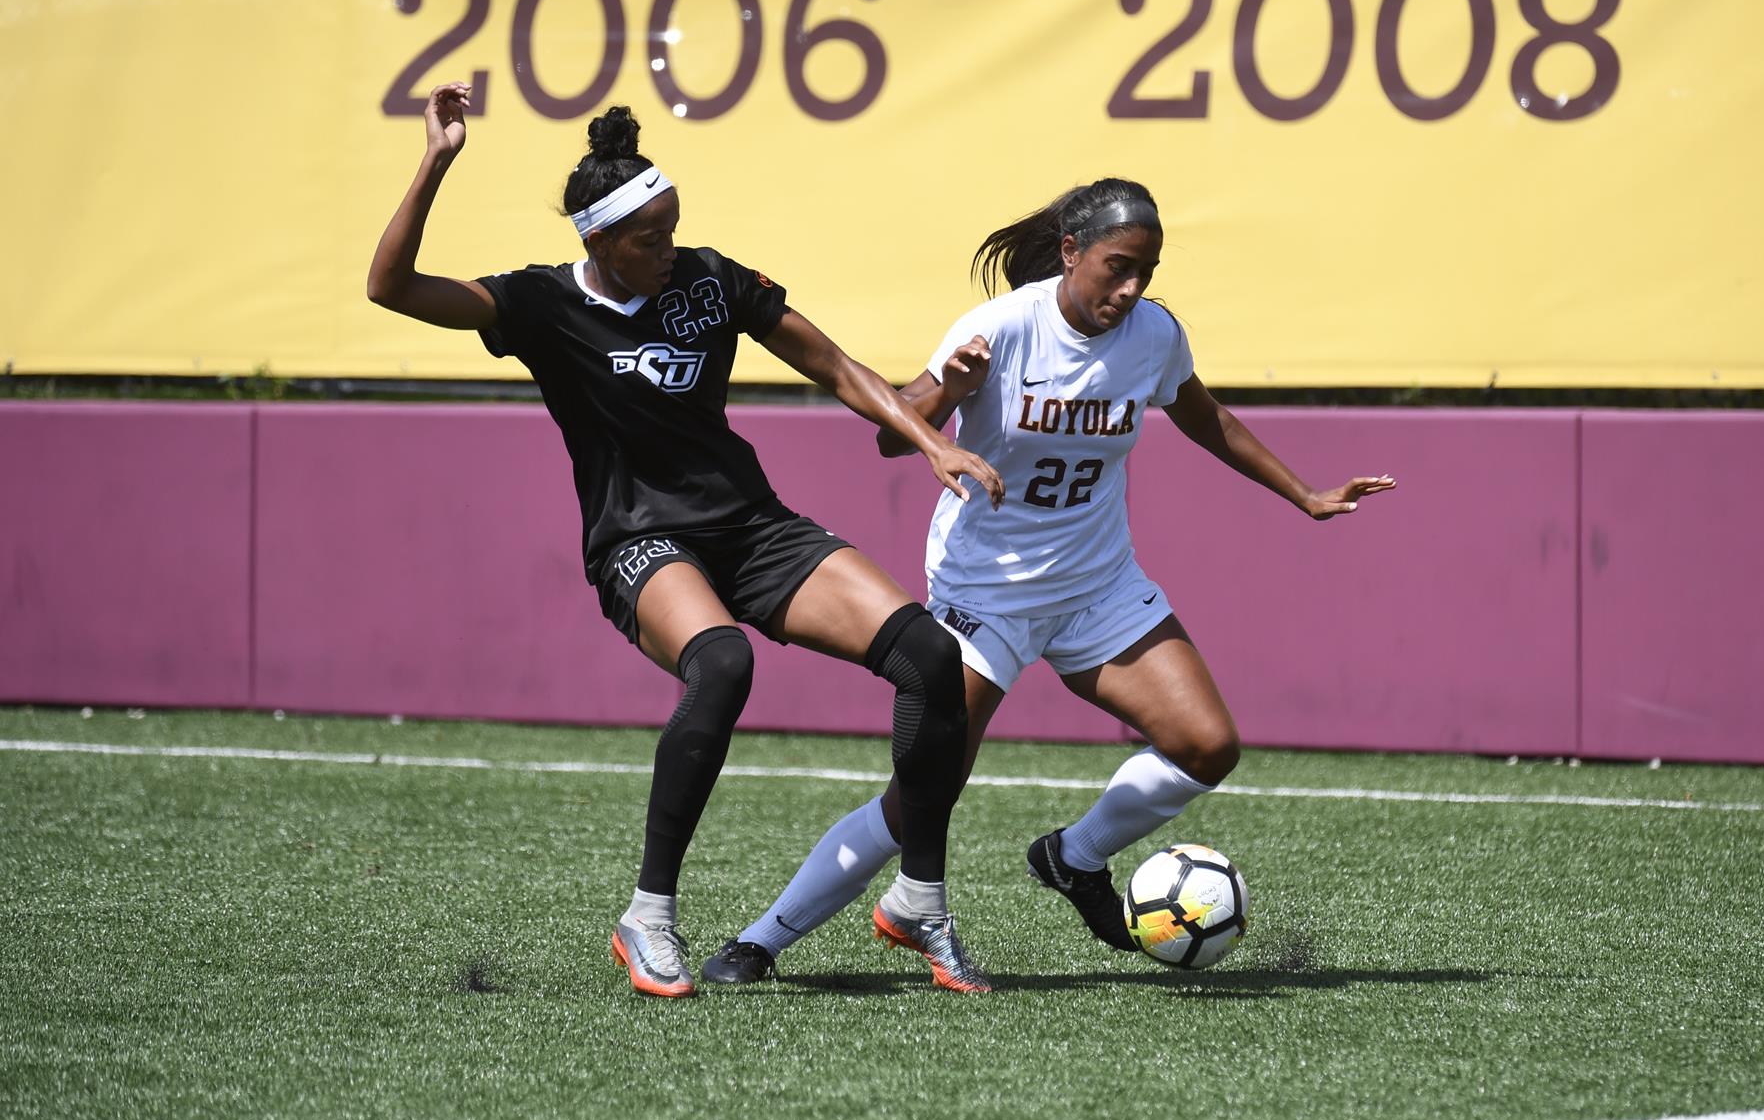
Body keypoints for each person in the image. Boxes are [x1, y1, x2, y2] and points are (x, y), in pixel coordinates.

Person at [365, 82, 1007, 996]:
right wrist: (434, 163)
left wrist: (933, 439)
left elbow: (830, 363)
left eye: (673, 228)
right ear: (598, 242)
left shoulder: (708, 280)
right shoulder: (540, 306)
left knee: (931, 659)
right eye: (648, 238)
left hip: (751, 527)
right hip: (640, 539)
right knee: (724, 665)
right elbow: (389, 287)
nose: (669, 249)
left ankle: (918, 900)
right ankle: (649, 916)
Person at [699, 178, 1395, 984]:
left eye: (1146, 269)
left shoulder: (1154, 334)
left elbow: (1208, 418)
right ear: (1071, 253)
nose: (1130, 288)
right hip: (984, 593)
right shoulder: (1002, 326)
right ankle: (761, 940)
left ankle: (1074, 855)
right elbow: (899, 435)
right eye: (1117, 267)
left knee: (1207, 744)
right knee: (920, 796)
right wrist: (950, 393)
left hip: (1096, 582)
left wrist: (1303, 493)